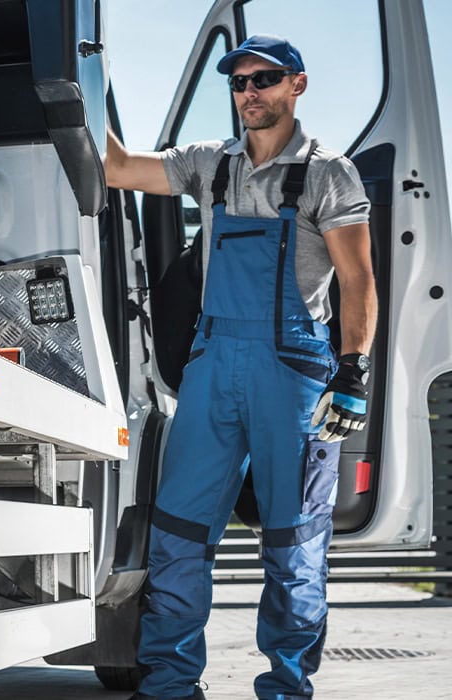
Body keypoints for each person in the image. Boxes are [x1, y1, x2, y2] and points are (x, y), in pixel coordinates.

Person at [104, 35, 377, 700]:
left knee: (293, 544)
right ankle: (170, 685)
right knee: (177, 533)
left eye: (265, 79)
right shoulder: (210, 163)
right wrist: (74, 73)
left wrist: (353, 373)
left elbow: (357, 279)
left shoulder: (327, 173)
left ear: (296, 86)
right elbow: (116, 167)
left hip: (293, 371)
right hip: (212, 365)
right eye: (240, 81)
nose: (250, 92)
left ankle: (285, 687)